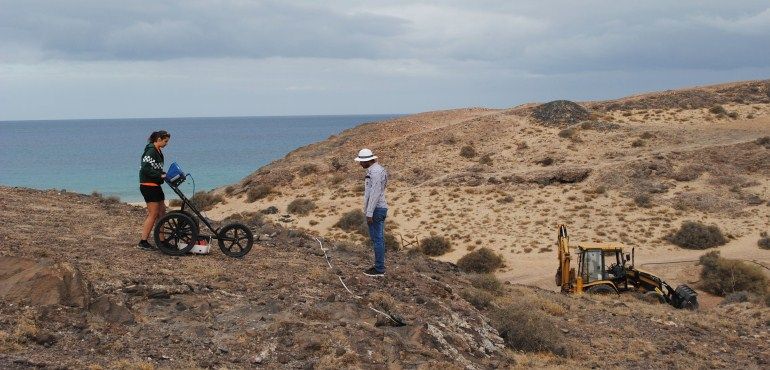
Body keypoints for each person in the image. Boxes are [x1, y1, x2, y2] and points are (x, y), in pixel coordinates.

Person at [355, 148, 389, 277]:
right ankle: (379, 266)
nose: (360, 164)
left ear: (367, 161)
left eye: (361, 162)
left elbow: (374, 193)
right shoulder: (380, 170)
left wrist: (369, 212)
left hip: (376, 209)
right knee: (378, 239)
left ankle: (379, 269)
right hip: (380, 207)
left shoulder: (374, 172)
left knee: (377, 239)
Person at [138, 130, 170, 250]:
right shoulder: (150, 151)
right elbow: (145, 169)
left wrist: (163, 174)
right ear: (158, 139)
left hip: (155, 185)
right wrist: (160, 175)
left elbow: (155, 168)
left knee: (162, 212)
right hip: (148, 185)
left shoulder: (158, 151)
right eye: (165, 141)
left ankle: (161, 241)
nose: (167, 143)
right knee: (153, 214)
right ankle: (143, 241)